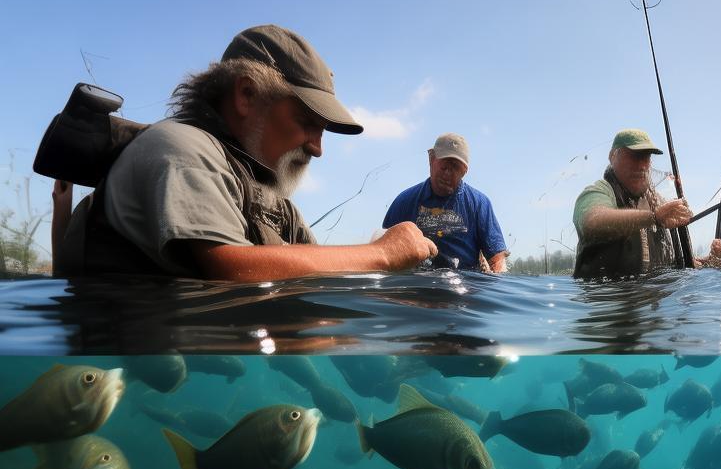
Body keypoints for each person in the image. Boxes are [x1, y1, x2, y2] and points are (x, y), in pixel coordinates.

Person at [57, 25, 436, 281]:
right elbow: (231, 269)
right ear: (247, 95)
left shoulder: (271, 201)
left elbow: (312, 279)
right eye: (308, 122)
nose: (318, 149)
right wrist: (382, 254)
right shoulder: (181, 149)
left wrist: (328, 376)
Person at [571, 129, 721, 278]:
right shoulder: (598, 192)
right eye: (634, 156)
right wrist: (653, 218)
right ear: (612, 156)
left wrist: (712, 262)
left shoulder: (654, 201)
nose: (642, 165)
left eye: (646, 157)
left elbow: (674, 265)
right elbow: (592, 222)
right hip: (607, 296)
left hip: (655, 296)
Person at [383, 133, 508, 272]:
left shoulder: (480, 205)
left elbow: (497, 259)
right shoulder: (404, 202)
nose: (448, 173)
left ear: (464, 171)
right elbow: (382, 250)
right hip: (416, 281)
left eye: (455, 168)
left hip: (464, 282)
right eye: (444, 166)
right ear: (431, 159)